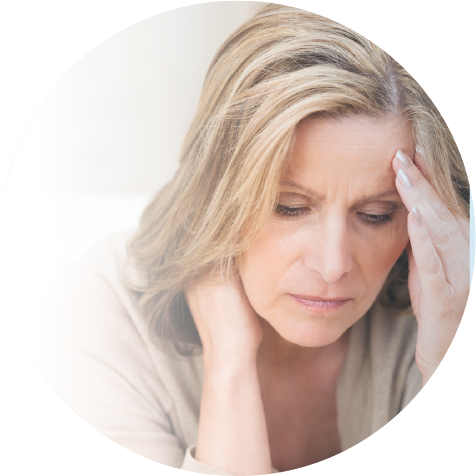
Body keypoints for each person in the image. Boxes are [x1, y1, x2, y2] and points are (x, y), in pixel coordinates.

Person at [37, 4, 470, 475]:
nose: (332, 265)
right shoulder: (95, 319)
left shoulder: (437, 318)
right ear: (214, 193)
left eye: (376, 215)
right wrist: (229, 365)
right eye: (289, 207)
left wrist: (447, 366)